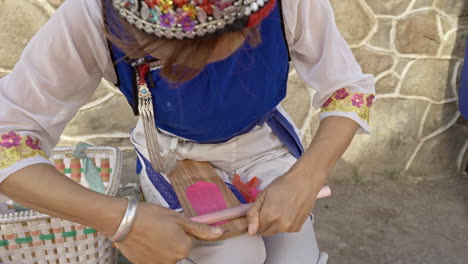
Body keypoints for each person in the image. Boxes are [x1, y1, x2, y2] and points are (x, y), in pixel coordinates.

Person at [0, 0, 375, 263]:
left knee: (294, 256)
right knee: (234, 256)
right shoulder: (92, 14)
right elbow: (8, 138)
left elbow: (347, 90)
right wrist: (121, 220)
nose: (196, 67)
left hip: (263, 146)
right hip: (175, 156)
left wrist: (306, 178)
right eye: (169, 56)